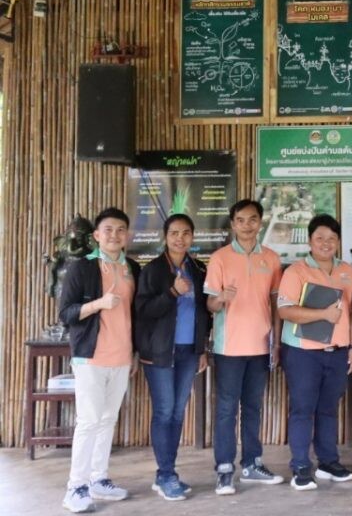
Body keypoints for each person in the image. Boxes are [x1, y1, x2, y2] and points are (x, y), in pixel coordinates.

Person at [58, 207, 140, 514]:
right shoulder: (82, 267)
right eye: (108, 230)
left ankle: (99, 479)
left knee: (107, 421)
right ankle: (75, 487)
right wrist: (99, 304)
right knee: (89, 422)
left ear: (127, 235)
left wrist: (133, 353)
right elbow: (66, 314)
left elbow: (135, 315)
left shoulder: (132, 267)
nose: (114, 235)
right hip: (90, 357)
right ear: (96, 235)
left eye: (120, 230)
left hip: (121, 357)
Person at [203, 199, 284, 495]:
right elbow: (210, 304)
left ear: (259, 223)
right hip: (228, 348)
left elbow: (276, 304)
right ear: (232, 224)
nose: (247, 225)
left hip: (261, 345)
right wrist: (221, 298)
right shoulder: (220, 258)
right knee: (226, 410)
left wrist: (275, 342)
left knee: (253, 408)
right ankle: (225, 469)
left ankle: (252, 464)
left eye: (252, 220)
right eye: (240, 220)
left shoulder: (272, 259)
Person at [277, 214, 352, 491]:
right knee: (302, 409)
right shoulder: (296, 271)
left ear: (338, 242)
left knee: (328, 409)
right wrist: (322, 313)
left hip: (336, 352)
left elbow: (351, 315)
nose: (326, 243)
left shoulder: (347, 271)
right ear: (310, 241)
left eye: (332, 238)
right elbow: (284, 310)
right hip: (303, 352)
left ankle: (327, 462)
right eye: (320, 238)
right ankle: (300, 465)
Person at [133, 214, 211, 501]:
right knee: (165, 411)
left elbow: (204, 313)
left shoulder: (199, 269)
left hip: (189, 350)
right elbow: (142, 310)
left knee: (178, 412)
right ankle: (166, 474)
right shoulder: (153, 270)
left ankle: (166, 472)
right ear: (165, 237)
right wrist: (171, 292)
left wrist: (202, 349)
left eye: (186, 233)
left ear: (193, 236)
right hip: (160, 352)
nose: (180, 238)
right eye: (174, 233)